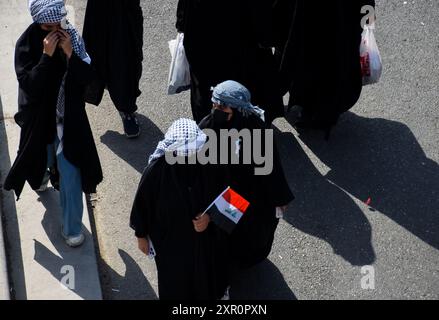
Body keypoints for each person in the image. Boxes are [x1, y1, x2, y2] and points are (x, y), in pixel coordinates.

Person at [4, 0, 103, 248]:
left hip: (68, 121)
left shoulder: (71, 38)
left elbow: (88, 79)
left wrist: (71, 54)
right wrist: (47, 57)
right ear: (39, 22)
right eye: (50, 25)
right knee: (40, 160)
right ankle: (40, 178)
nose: (56, 29)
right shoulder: (26, 45)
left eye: (58, 23)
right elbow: (31, 87)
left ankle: (71, 228)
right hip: (39, 121)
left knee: (71, 172)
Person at [199, 80, 294, 269]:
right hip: (222, 192)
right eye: (214, 104)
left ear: (237, 109)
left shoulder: (257, 133)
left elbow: (272, 170)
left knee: (248, 235)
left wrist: (280, 199)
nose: (216, 110)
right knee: (220, 232)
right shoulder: (211, 123)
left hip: (247, 197)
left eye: (222, 107)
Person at [130, 119, 229, 300]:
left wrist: (210, 217)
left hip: (206, 243)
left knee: (208, 280)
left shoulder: (212, 164)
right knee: (175, 286)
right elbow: (143, 204)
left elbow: (232, 199)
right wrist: (141, 235)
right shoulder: (157, 171)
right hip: (170, 244)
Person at [273, 0, 376, 137]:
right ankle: (323, 112)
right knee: (334, 69)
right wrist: (368, 21)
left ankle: (307, 107)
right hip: (340, 30)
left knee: (306, 67)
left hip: (307, 27)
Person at [176, 0, 284, 124]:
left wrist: (182, 23)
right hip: (239, 42)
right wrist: (268, 38)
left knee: (206, 88)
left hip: (203, 40)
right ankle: (246, 128)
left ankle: (209, 127)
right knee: (244, 83)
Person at [82, 0, 144, 138]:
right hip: (98, 9)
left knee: (127, 60)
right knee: (96, 55)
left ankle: (126, 108)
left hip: (126, 11)